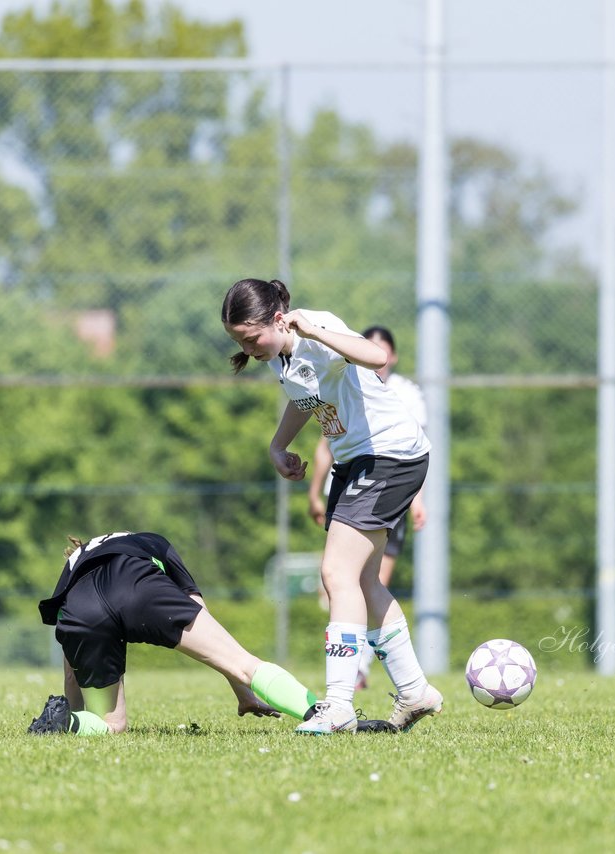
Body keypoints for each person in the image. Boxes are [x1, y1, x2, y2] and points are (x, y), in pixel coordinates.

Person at [221, 278, 443, 735]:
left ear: (278, 319)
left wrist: (317, 331)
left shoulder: (315, 327)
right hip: (356, 460)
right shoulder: (281, 356)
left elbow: (377, 357)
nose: (248, 347)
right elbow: (307, 400)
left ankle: (339, 705)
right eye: (239, 340)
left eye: (250, 337)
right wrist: (278, 445)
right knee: (360, 580)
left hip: (389, 455)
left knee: (336, 574)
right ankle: (415, 690)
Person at [26, 530, 348, 735]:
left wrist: (70, 709)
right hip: (138, 585)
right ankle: (320, 713)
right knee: (244, 662)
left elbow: (71, 660)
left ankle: (67, 724)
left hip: (84, 610)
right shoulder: (151, 540)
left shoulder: (72, 567)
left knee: (113, 725)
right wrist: (242, 690)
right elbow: (202, 617)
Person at [306, 325, 427, 692]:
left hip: (384, 475)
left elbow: (413, 438)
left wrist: (417, 498)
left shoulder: (404, 392)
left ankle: (347, 687)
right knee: (354, 581)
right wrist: (313, 489)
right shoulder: (342, 375)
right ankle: (412, 689)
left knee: (345, 576)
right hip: (349, 480)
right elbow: (325, 437)